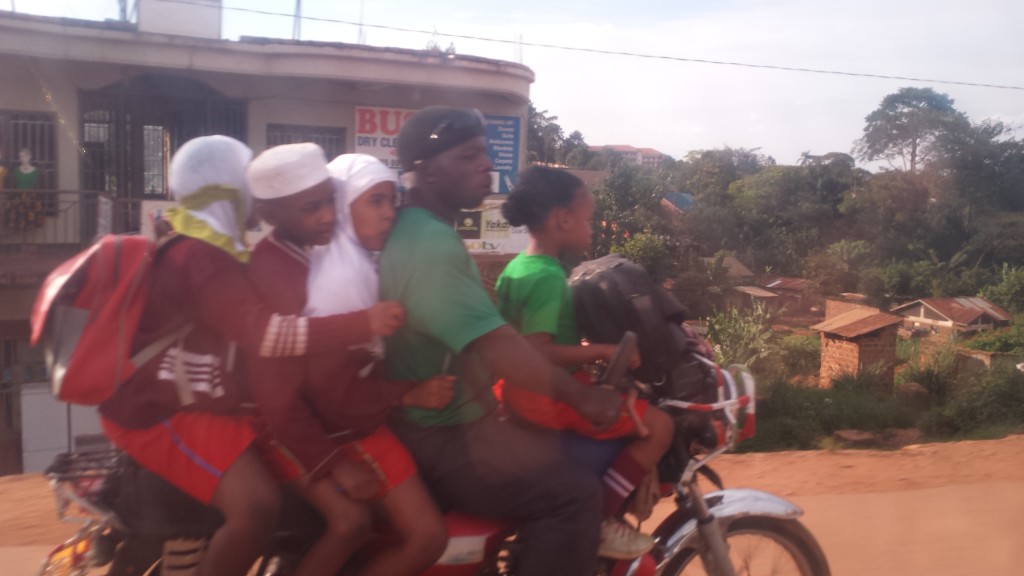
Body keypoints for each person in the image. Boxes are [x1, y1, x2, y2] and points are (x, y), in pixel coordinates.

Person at [97, 136, 395, 576]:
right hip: (156, 409)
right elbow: (267, 336)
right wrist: (362, 324)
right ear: (229, 192)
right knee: (256, 507)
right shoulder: (200, 257)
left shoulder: (209, 248)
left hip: (195, 401)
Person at [377, 106, 624, 576]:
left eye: (485, 153)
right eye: (469, 155)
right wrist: (581, 396)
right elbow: (497, 345)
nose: (485, 164)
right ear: (425, 169)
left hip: (453, 422)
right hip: (444, 436)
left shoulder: (423, 231)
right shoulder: (429, 246)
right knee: (573, 495)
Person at [246, 146, 448, 576]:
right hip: (321, 427)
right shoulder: (326, 277)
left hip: (333, 418)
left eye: (392, 200)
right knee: (411, 533)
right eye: (375, 200)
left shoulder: (336, 260)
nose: (389, 213)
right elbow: (317, 390)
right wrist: (405, 394)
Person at [494, 165, 675, 559]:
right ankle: (602, 521)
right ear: (563, 219)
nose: (592, 229)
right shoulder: (547, 277)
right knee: (660, 427)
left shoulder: (516, 268)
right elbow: (536, 352)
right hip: (543, 398)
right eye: (588, 219)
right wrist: (603, 351)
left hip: (514, 394)